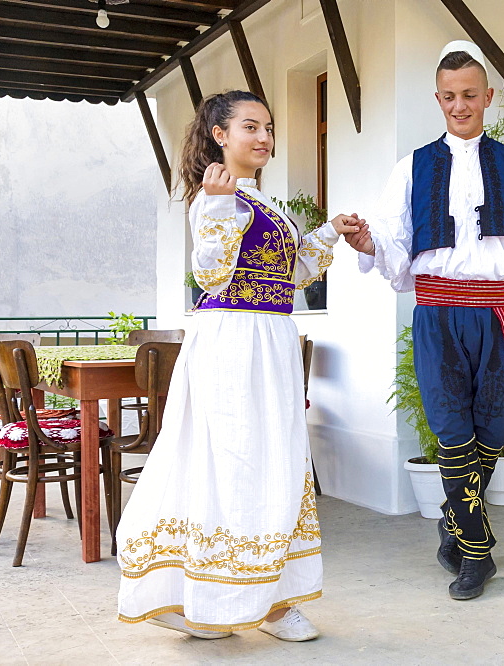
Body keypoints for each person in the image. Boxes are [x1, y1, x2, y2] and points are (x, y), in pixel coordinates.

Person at [115, 90, 360, 640]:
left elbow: (290, 276)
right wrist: (218, 204)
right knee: (230, 459)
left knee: (274, 458)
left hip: (271, 337)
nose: (265, 137)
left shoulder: (263, 202)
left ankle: (271, 599)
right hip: (231, 339)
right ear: (219, 135)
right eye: (251, 126)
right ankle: (210, 597)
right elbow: (211, 275)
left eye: (269, 127)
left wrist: (329, 233)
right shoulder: (215, 197)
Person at [346, 41, 504, 600]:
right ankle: (476, 553)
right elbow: (392, 243)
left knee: (492, 431)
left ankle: (454, 525)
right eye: (449, 97)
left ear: (488, 97)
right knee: (452, 430)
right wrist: (366, 240)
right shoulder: (412, 168)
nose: (460, 105)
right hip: (437, 314)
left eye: (470, 95)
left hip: (496, 313)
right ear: (437, 99)